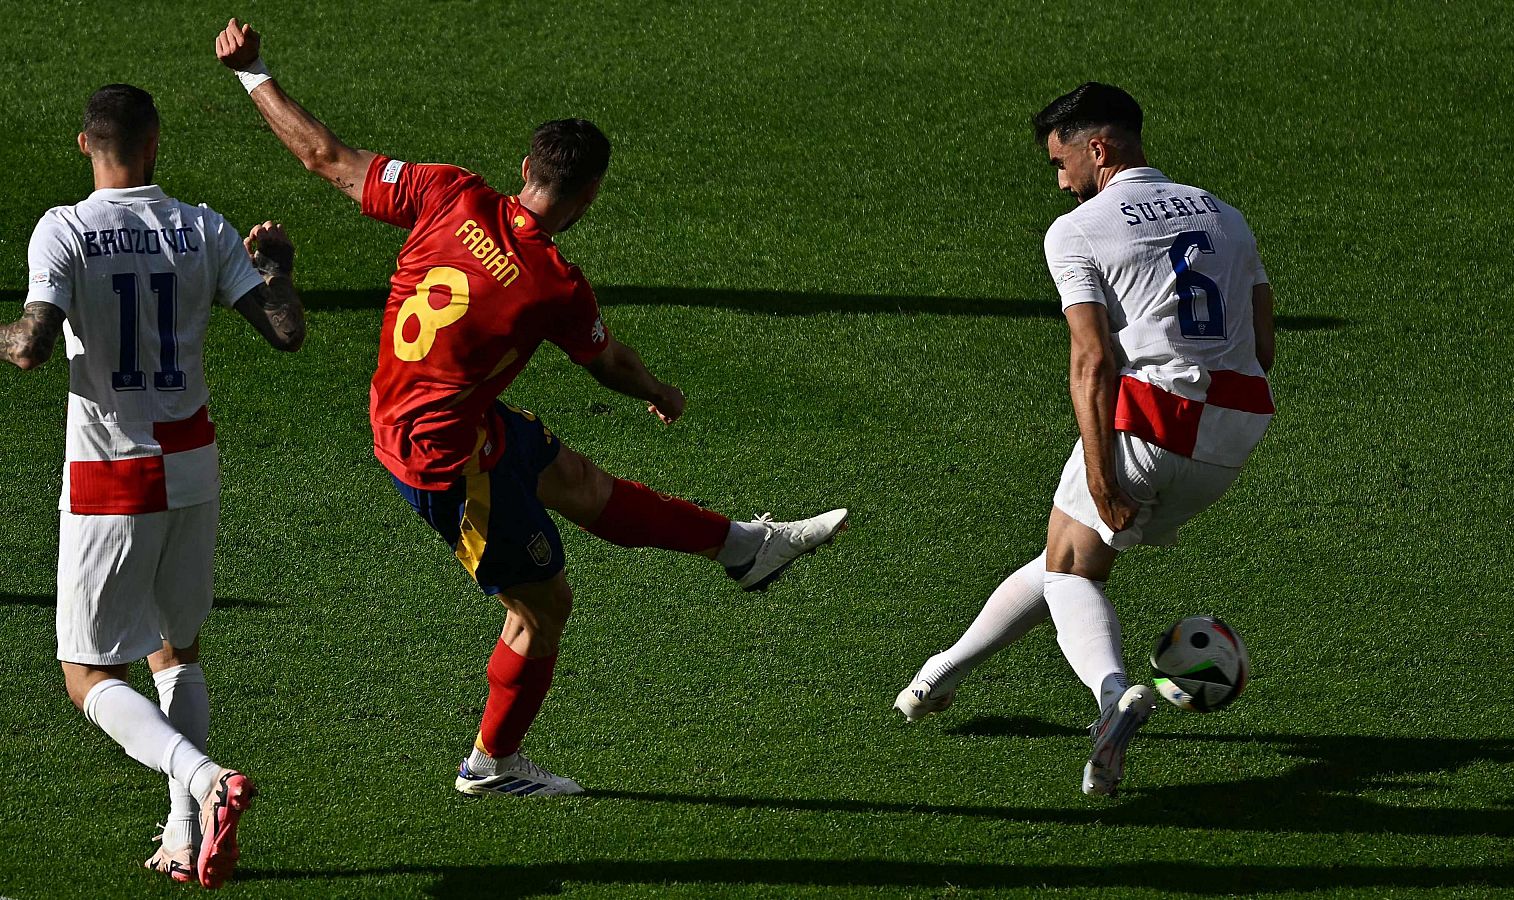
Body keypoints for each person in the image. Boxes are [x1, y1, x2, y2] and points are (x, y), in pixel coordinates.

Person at [213, 19, 847, 797]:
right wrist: (659, 392)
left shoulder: (448, 191)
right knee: (543, 610)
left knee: (578, 484)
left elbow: (325, 156)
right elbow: (605, 359)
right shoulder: (553, 284)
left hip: (442, 419)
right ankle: (491, 765)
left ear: (524, 168)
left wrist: (252, 71)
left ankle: (744, 549)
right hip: (439, 458)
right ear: (588, 197)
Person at [894, 82, 1276, 797]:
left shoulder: (1078, 229)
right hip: (1236, 432)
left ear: (1097, 149)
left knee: (1073, 568)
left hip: (1157, 419)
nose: (1061, 180)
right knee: (1065, 553)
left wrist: (1104, 472)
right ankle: (937, 677)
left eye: (1060, 163)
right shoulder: (1227, 216)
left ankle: (1110, 704)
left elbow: (1092, 361)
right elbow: (1263, 342)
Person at [1, 84, 306, 885]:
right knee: (178, 650)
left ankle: (208, 784)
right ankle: (184, 831)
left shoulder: (64, 229)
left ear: (83, 145)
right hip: (192, 467)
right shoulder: (203, 227)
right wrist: (276, 267)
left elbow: (31, 346)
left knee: (88, 676)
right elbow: (285, 330)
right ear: (156, 143)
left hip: (111, 476)